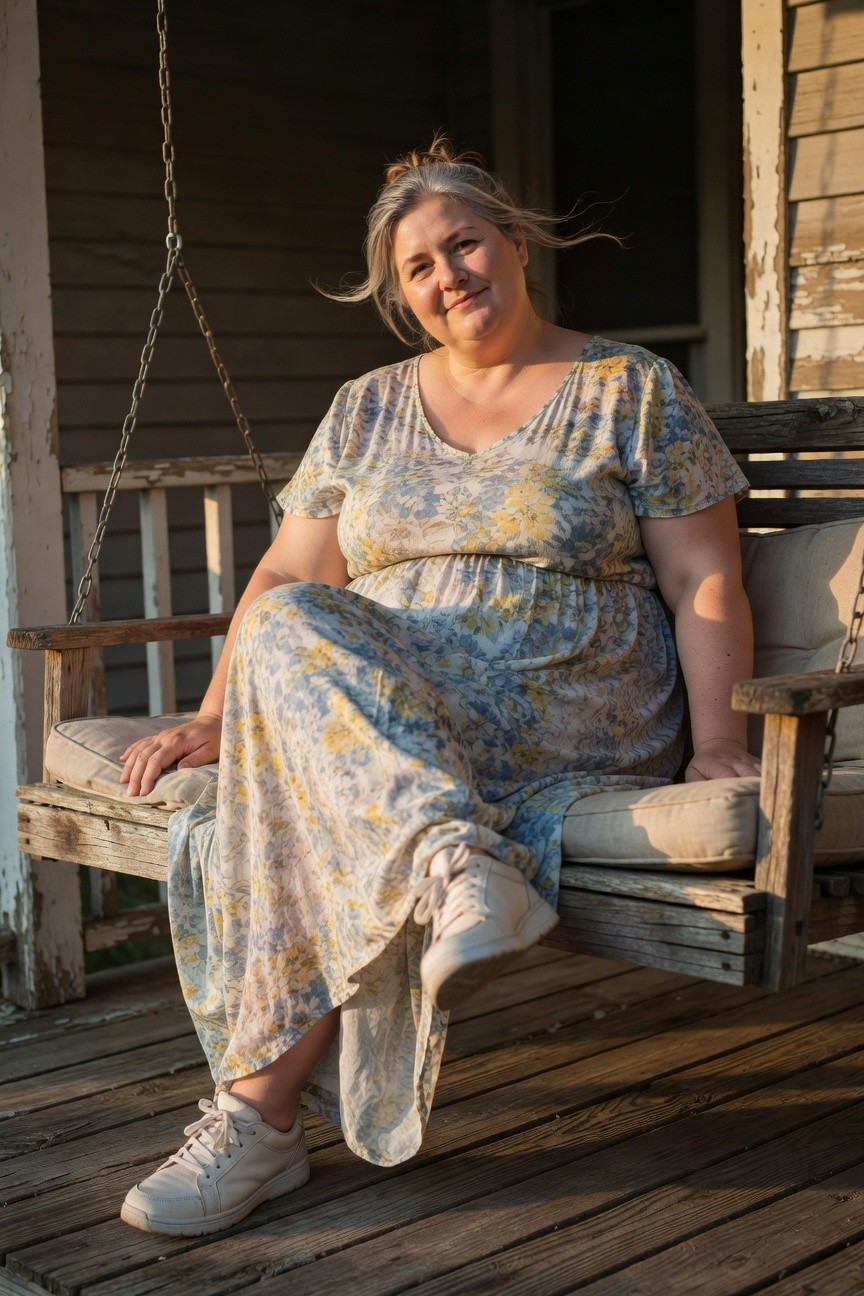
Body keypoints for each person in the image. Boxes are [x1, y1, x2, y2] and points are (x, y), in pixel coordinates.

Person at [117, 138, 759, 1237]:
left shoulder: (628, 389)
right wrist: (222, 712)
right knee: (286, 643)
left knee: (308, 798)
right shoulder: (365, 409)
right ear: (402, 296)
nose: (449, 274)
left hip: (575, 695)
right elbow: (283, 579)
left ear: (513, 241)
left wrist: (715, 744)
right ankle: (450, 861)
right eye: (419, 267)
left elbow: (704, 576)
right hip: (409, 716)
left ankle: (257, 1123)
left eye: (464, 243)